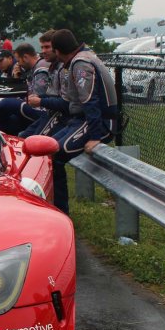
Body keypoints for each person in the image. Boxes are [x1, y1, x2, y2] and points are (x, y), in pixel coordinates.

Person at [47, 29, 117, 214]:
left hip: (100, 122)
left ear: (59, 51)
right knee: (48, 149)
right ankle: (54, 208)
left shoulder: (80, 63)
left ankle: (61, 212)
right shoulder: (84, 56)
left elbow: (89, 101)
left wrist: (96, 136)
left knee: (56, 155)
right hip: (81, 119)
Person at [0, 43, 51, 135]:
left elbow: (36, 96)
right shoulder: (29, 68)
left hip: (44, 109)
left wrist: (17, 83)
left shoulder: (40, 68)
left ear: (25, 57)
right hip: (36, 107)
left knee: (6, 103)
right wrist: (17, 78)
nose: (18, 64)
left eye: (18, 60)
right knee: (9, 123)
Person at [22, 29, 69, 138]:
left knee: (7, 104)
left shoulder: (65, 68)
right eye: (42, 47)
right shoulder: (53, 66)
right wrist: (39, 97)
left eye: (47, 47)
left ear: (57, 48)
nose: (43, 51)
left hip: (63, 116)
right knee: (22, 136)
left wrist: (40, 100)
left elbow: (65, 103)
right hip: (50, 112)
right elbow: (52, 95)